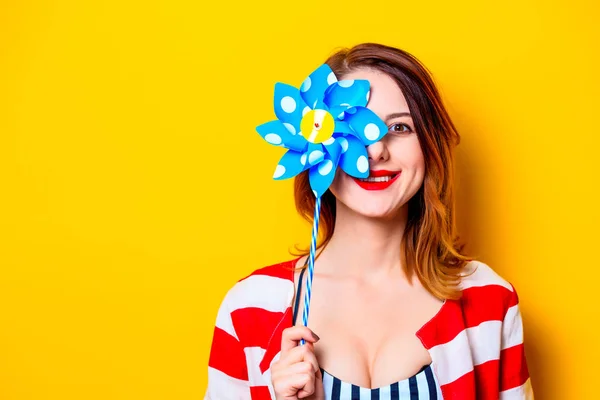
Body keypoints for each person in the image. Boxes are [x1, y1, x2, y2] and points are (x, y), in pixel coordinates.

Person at [204, 43, 534, 400]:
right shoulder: (249, 307)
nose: (376, 150)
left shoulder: (490, 301)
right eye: (354, 126)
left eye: (401, 127)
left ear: (430, 146)